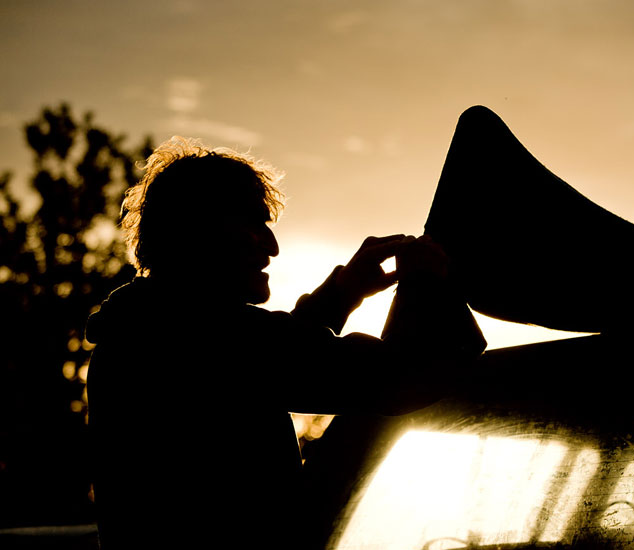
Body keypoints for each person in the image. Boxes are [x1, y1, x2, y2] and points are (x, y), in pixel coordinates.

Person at [85, 137, 483, 548]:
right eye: (253, 224)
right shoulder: (210, 338)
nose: (271, 247)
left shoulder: (147, 329)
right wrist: (429, 282)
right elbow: (397, 378)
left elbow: (270, 359)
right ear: (200, 229)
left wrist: (342, 294)